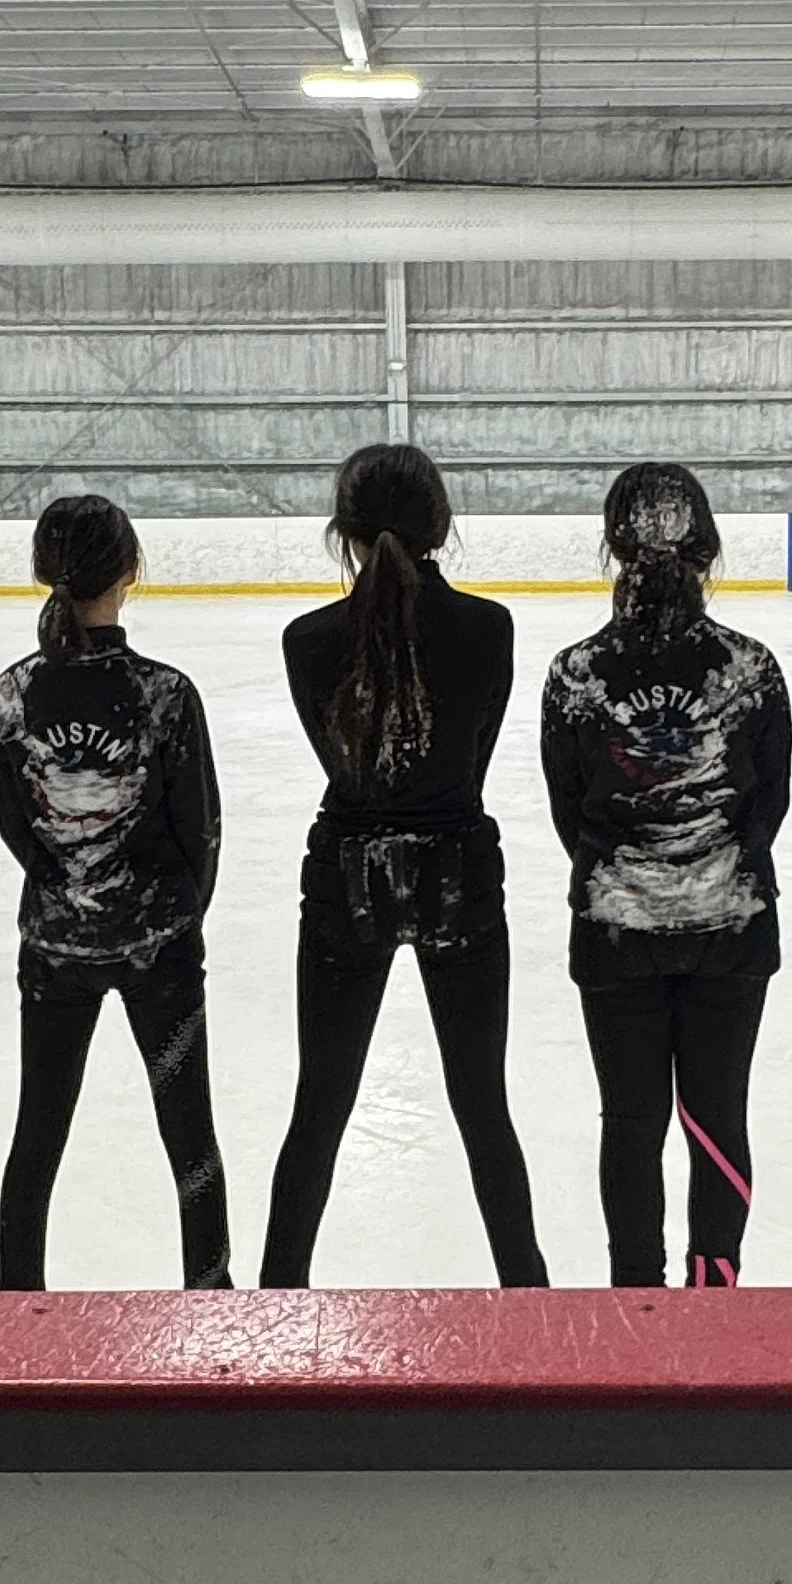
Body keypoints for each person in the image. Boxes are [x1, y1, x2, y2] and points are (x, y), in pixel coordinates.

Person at [260, 443, 548, 1289]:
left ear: (342, 531)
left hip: (347, 878)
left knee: (319, 1107)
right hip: (459, 870)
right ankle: (527, 1295)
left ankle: (278, 1293)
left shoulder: (307, 641)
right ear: (441, 525)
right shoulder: (489, 628)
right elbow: (472, 763)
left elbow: (341, 760)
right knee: (483, 1107)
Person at [541, 464, 792, 1287]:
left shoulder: (575, 673)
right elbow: (769, 803)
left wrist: (634, 868)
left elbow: (571, 809)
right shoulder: (752, 668)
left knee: (632, 1121)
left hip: (617, 932)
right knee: (718, 1114)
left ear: (615, 547)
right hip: (731, 927)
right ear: (707, 548)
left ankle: (637, 1294)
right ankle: (715, 1288)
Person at [0, 494, 229, 1291]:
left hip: (54, 946)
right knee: (189, 1132)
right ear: (130, 571)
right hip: (159, 947)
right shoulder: (165, 692)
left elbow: (15, 822)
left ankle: (16, 1291)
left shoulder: (15, 690)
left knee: (38, 1129)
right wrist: (173, 917)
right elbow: (201, 827)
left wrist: (68, 886)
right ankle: (209, 1291)